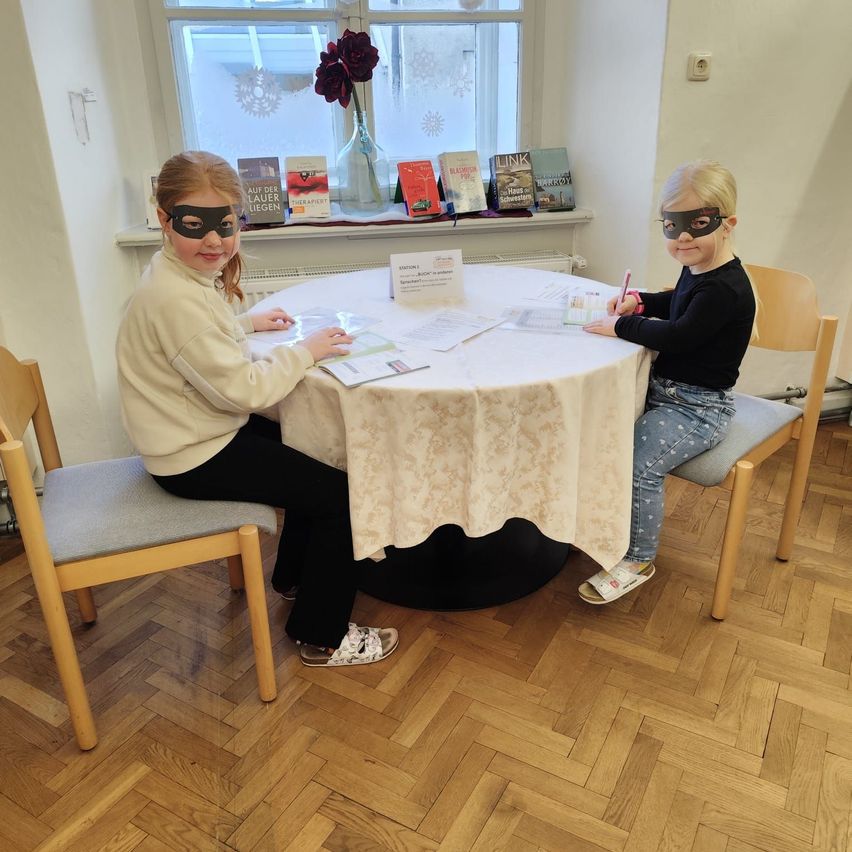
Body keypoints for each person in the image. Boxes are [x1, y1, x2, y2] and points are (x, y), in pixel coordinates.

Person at [116, 150, 399, 665]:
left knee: (311, 448)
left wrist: (246, 325)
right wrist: (303, 351)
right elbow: (245, 390)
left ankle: (294, 578)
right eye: (193, 224)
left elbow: (199, 344)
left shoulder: (174, 277)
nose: (212, 240)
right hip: (192, 456)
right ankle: (323, 635)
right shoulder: (175, 300)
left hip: (195, 435)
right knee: (342, 494)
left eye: (224, 224)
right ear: (163, 219)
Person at [580, 160, 756, 604]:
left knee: (640, 465)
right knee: (598, 431)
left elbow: (680, 336)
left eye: (697, 224)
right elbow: (676, 304)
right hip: (665, 393)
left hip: (698, 409)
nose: (682, 237)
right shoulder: (698, 269)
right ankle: (604, 525)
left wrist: (621, 328)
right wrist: (640, 302)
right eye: (672, 225)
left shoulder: (724, 288)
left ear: (727, 223)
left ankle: (638, 558)